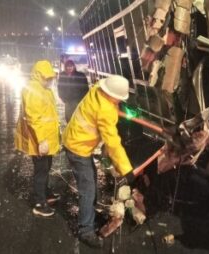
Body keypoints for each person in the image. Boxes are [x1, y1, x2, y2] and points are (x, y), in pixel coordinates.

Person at [63, 75, 135, 248]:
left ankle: (91, 214)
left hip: (75, 141)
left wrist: (118, 108)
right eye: (118, 99)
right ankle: (85, 230)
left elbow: (110, 108)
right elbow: (113, 143)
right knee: (87, 189)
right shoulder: (105, 110)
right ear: (112, 95)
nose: (119, 101)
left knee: (92, 180)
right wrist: (126, 170)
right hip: (78, 148)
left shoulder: (97, 89)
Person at [15, 60, 60, 217]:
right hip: (39, 141)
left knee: (46, 168)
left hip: (46, 139)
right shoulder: (33, 89)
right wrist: (41, 141)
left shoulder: (44, 89)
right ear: (39, 76)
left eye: (51, 78)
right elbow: (33, 117)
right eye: (47, 78)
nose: (50, 81)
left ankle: (45, 193)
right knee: (41, 171)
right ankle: (39, 203)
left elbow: (50, 115)